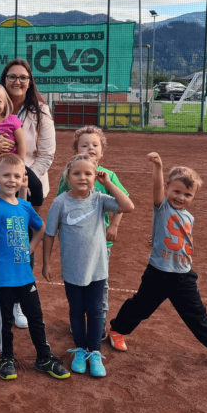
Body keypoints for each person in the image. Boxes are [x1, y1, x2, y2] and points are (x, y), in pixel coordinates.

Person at [108, 153, 207, 375]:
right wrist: (158, 165)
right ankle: (117, 330)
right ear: (167, 189)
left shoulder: (189, 217)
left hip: (183, 275)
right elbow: (156, 188)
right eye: (176, 191)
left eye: (187, 194)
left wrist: (155, 238)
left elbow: (177, 238)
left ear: (194, 196)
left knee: (197, 315)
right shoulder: (163, 206)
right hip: (158, 273)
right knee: (140, 306)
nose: (181, 197)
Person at [0, 59, 55, 330]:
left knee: (19, 237)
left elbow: (46, 153)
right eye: (12, 77)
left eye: (23, 77)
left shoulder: (40, 110)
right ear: (4, 80)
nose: (17, 82)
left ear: (30, 81)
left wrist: (20, 180)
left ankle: (17, 301)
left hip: (25, 181)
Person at [0, 153, 70, 381]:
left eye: (17, 176)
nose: (11, 180)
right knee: (4, 322)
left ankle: (44, 357)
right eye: (6, 175)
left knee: (36, 318)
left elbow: (41, 228)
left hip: (25, 276)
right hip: (0, 279)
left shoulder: (26, 206)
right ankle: (7, 358)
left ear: (23, 180)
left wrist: (30, 248)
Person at [42, 154, 134, 377]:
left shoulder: (101, 199)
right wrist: (46, 263)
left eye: (88, 173)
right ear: (68, 176)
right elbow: (49, 234)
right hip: (73, 269)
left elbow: (128, 206)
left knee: (95, 311)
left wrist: (108, 183)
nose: (82, 177)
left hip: (97, 269)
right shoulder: (60, 202)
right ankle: (80, 350)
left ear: (96, 176)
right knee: (76, 310)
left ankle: (94, 351)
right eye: (76, 173)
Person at [56, 126, 130, 341]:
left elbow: (123, 200)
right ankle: (80, 318)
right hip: (76, 242)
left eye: (95, 145)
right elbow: (62, 202)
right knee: (76, 280)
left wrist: (114, 225)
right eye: (84, 145)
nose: (90, 148)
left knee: (100, 282)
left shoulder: (109, 176)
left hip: (100, 243)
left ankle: (98, 320)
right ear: (75, 149)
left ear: (102, 150)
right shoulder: (67, 175)